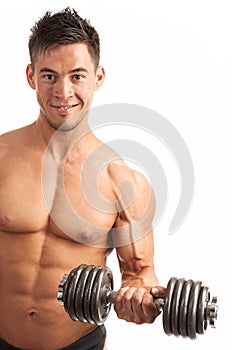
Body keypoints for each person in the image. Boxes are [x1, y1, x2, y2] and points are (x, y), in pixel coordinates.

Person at [0, 7, 165, 350]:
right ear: (30, 76)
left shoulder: (121, 181)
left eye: (77, 76)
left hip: (78, 344)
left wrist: (140, 300)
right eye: (49, 76)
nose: (63, 92)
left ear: (98, 77)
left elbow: (140, 276)